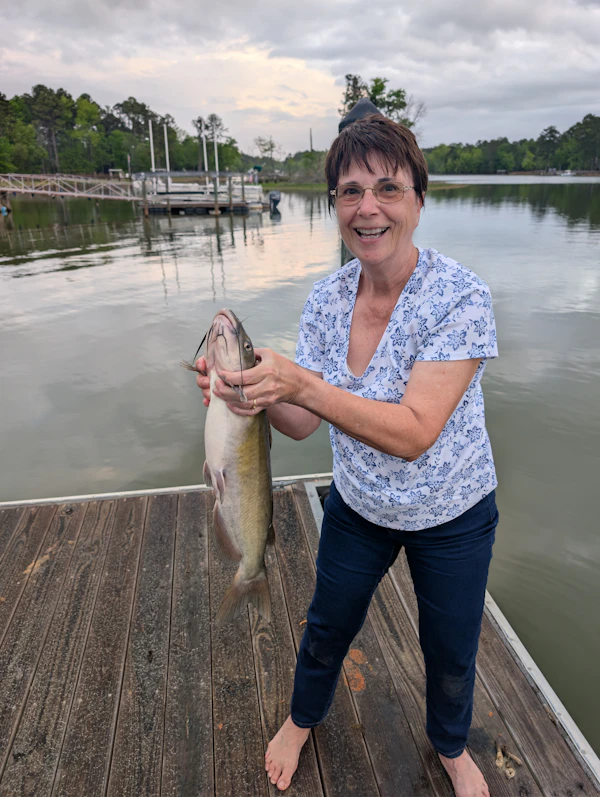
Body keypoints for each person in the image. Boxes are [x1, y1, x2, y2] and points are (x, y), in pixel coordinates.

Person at [196, 113, 498, 797]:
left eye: (388, 188)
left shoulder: (461, 297)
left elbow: (416, 432)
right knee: (327, 625)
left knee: (451, 647)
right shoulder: (327, 298)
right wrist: (249, 394)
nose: (368, 208)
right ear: (334, 203)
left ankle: (451, 746)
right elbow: (303, 422)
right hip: (358, 506)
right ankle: (301, 718)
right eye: (350, 191)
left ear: (418, 199)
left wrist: (301, 383)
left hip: (453, 512)